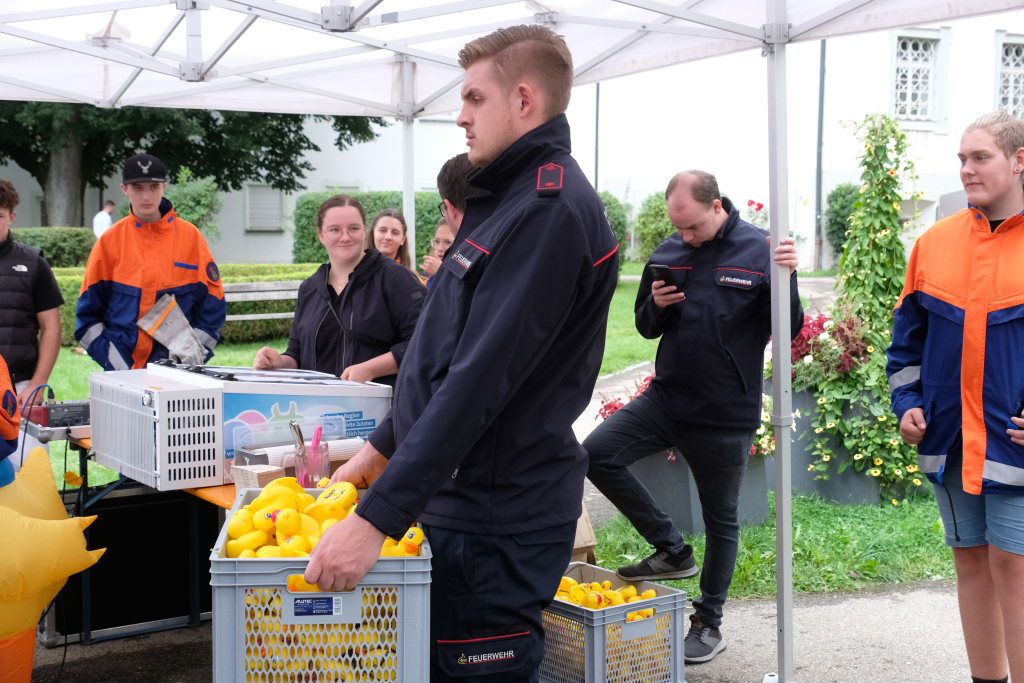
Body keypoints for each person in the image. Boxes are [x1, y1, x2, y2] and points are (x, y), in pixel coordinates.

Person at [305, 25, 620, 682]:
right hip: (463, 502)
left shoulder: (548, 211)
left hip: (497, 516)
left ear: (524, 100)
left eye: (475, 98)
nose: (461, 115)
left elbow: (479, 381)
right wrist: (379, 449)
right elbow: (440, 352)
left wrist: (374, 520)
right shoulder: (505, 198)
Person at [584, 170, 801, 665]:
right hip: (666, 400)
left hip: (725, 411)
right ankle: (672, 550)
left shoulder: (763, 251)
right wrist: (656, 307)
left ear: (717, 205)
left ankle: (708, 623)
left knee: (721, 520)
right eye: (678, 227)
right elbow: (644, 325)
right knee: (595, 454)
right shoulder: (669, 252)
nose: (686, 237)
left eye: (694, 227)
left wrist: (787, 280)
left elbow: (787, 329)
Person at [887, 110, 1024, 683]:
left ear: (1019, 160)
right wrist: (908, 404)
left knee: (1013, 566)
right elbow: (905, 348)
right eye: (962, 159)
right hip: (951, 443)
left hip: (1014, 446)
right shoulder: (934, 244)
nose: (967, 169)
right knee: (972, 563)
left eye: (981, 157)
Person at [253, 195, 424, 385]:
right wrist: (279, 362)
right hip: (317, 401)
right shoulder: (309, 289)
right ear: (321, 234)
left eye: (354, 228)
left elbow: (424, 340)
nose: (345, 237)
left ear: (364, 230)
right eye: (335, 229)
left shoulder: (395, 279)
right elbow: (297, 353)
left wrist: (370, 369)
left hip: (381, 402)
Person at [76, 154, 226, 370]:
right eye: (137, 188)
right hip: (121, 374)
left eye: (154, 187)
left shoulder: (191, 238)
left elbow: (213, 311)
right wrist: (118, 367)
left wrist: (187, 361)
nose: (146, 196)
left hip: (177, 374)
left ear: (164, 187)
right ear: (124, 189)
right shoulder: (108, 243)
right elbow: (87, 320)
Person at [0, 180, 63, 465]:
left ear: (12, 216)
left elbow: (52, 328)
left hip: (21, 388)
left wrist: (37, 385)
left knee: (30, 470)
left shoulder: (34, 262)